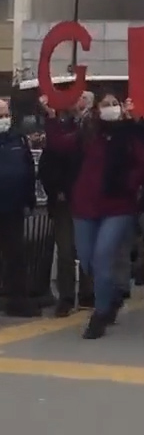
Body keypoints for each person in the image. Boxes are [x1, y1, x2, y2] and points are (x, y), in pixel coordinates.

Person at [41, 92, 144, 339]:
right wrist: (50, 117)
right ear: (97, 109)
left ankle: (100, 314)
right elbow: (60, 143)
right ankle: (111, 296)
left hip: (118, 206)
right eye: (106, 104)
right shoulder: (89, 133)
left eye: (115, 104)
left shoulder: (131, 133)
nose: (110, 108)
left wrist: (128, 183)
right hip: (85, 206)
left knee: (102, 257)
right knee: (88, 259)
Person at [39, 90, 95, 316]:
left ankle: (87, 293)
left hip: (87, 199)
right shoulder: (62, 131)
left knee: (86, 249)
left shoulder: (89, 129)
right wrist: (56, 190)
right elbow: (49, 163)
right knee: (65, 251)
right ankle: (66, 296)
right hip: (65, 199)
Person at [0, 98, 38, 317]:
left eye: (5, 115)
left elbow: (28, 169)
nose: (3, 120)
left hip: (12, 207)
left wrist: (29, 198)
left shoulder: (18, 139)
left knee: (15, 255)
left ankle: (18, 300)